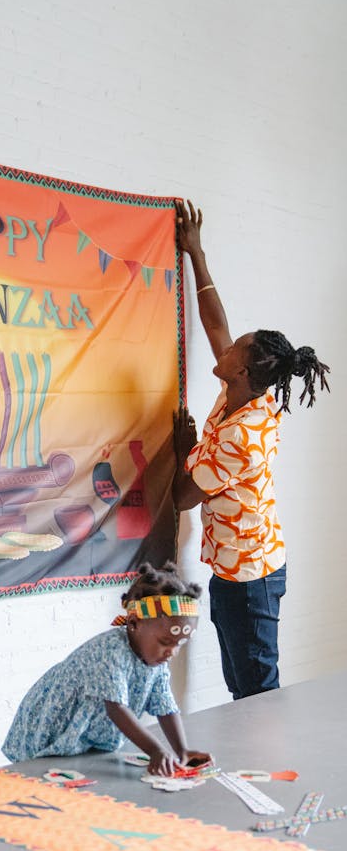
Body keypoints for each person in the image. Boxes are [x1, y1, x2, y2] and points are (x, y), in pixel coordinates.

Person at [173, 199, 330, 701]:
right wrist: (196, 253)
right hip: (235, 568)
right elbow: (216, 324)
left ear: (242, 371)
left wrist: (186, 445)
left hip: (251, 579)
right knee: (242, 688)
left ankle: (275, 779)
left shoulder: (241, 436)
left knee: (259, 696)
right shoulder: (240, 393)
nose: (226, 347)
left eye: (236, 349)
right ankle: (253, 773)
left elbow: (181, 497)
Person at [2, 562, 212, 775]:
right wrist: (156, 750)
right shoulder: (110, 650)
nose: (172, 652)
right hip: (49, 727)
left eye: (179, 644)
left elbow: (165, 706)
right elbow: (116, 709)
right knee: (36, 777)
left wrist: (181, 750)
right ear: (133, 623)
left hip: (81, 739)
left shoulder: (156, 661)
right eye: (165, 641)